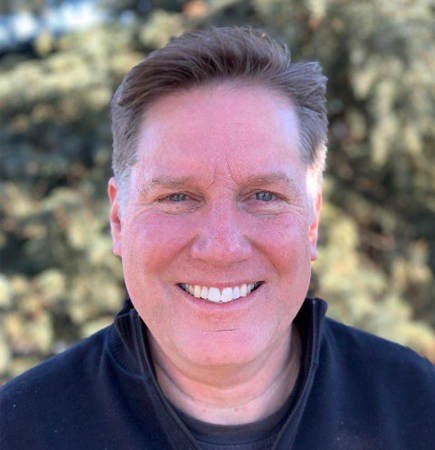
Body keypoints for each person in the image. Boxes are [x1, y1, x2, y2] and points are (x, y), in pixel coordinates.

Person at [1, 27, 434, 450]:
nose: (222, 248)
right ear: (119, 220)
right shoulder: (18, 430)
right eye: (177, 197)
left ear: (312, 221)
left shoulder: (418, 409)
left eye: (264, 196)